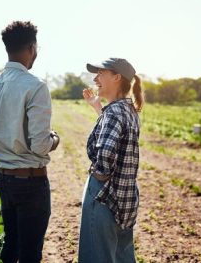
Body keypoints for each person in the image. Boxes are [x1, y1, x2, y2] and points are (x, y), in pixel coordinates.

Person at [0, 20, 60, 263]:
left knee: (11, 244)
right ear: (32, 49)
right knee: (30, 253)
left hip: (3, 178)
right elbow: (39, 145)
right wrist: (54, 139)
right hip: (30, 182)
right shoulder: (35, 87)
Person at [78, 58, 143, 263]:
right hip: (125, 198)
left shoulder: (114, 112)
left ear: (116, 77)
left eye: (100, 73)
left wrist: (98, 180)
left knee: (97, 257)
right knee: (122, 256)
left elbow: (105, 156)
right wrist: (98, 107)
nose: (95, 78)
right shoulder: (129, 109)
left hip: (104, 196)